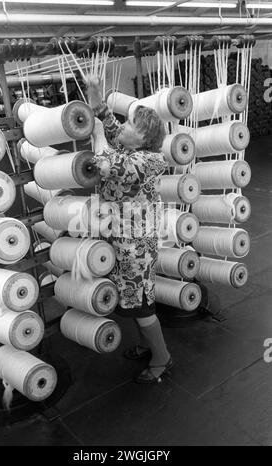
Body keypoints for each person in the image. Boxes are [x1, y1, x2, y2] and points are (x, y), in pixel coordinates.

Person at [86, 77, 172, 384]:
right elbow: (114, 130)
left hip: (136, 249)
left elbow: (105, 164)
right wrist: (98, 103)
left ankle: (161, 357)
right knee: (131, 301)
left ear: (145, 138)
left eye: (131, 124)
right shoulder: (132, 146)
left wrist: (95, 132)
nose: (123, 125)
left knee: (142, 305)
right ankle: (147, 345)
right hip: (124, 241)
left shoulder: (144, 161)